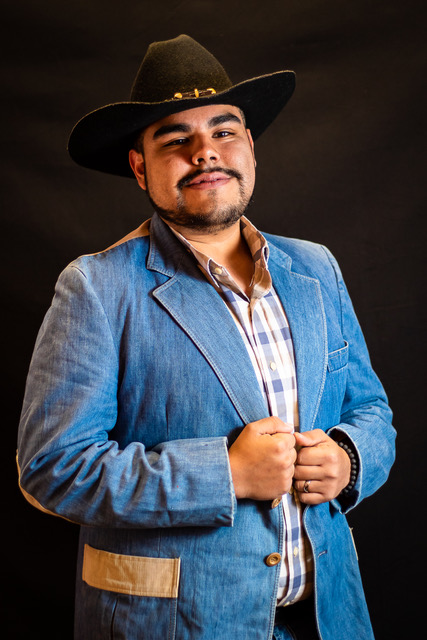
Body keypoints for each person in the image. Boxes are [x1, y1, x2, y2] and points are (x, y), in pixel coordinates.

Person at [17, 35, 395, 640]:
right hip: (172, 625)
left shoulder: (316, 267)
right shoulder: (96, 286)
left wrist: (349, 459)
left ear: (250, 149)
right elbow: (52, 469)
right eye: (175, 140)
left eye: (224, 131)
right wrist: (226, 474)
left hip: (329, 617)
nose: (205, 152)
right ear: (140, 167)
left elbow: (370, 408)